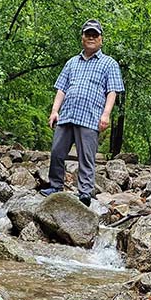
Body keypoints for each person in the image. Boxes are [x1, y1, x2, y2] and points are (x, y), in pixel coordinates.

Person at [40, 19, 125, 207]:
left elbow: (112, 91)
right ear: (82, 38)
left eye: (95, 34)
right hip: (67, 114)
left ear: (101, 39)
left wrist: (106, 114)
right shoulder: (72, 62)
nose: (91, 37)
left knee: (86, 156)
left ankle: (85, 192)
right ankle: (55, 186)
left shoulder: (109, 63)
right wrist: (55, 111)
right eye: (88, 34)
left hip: (90, 116)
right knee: (56, 152)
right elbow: (61, 88)